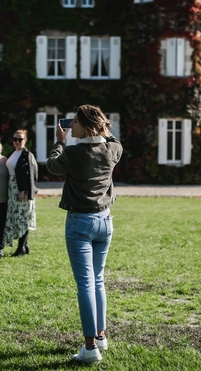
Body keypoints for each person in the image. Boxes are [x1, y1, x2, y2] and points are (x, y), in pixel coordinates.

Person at [46, 105, 123, 364]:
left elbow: (53, 166)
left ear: (87, 125)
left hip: (80, 223)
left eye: (75, 122)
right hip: (105, 221)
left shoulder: (73, 152)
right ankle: (101, 336)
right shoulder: (112, 150)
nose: (71, 126)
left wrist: (60, 142)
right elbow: (115, 141)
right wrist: (103, 129)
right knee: (98, 280)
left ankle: (90, 347)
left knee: (86, 284)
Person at [3, 129, 38, 256]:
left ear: (25, 140)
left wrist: (23, 191)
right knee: (17, 217)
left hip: (20, 190)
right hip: (12, 189)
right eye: (15, 139)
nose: (17, 142)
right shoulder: (14, 153)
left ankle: (20, 249)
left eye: (20, 139)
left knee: (22, 218)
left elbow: (29, 175)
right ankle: (25, 245)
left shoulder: (26, 155)